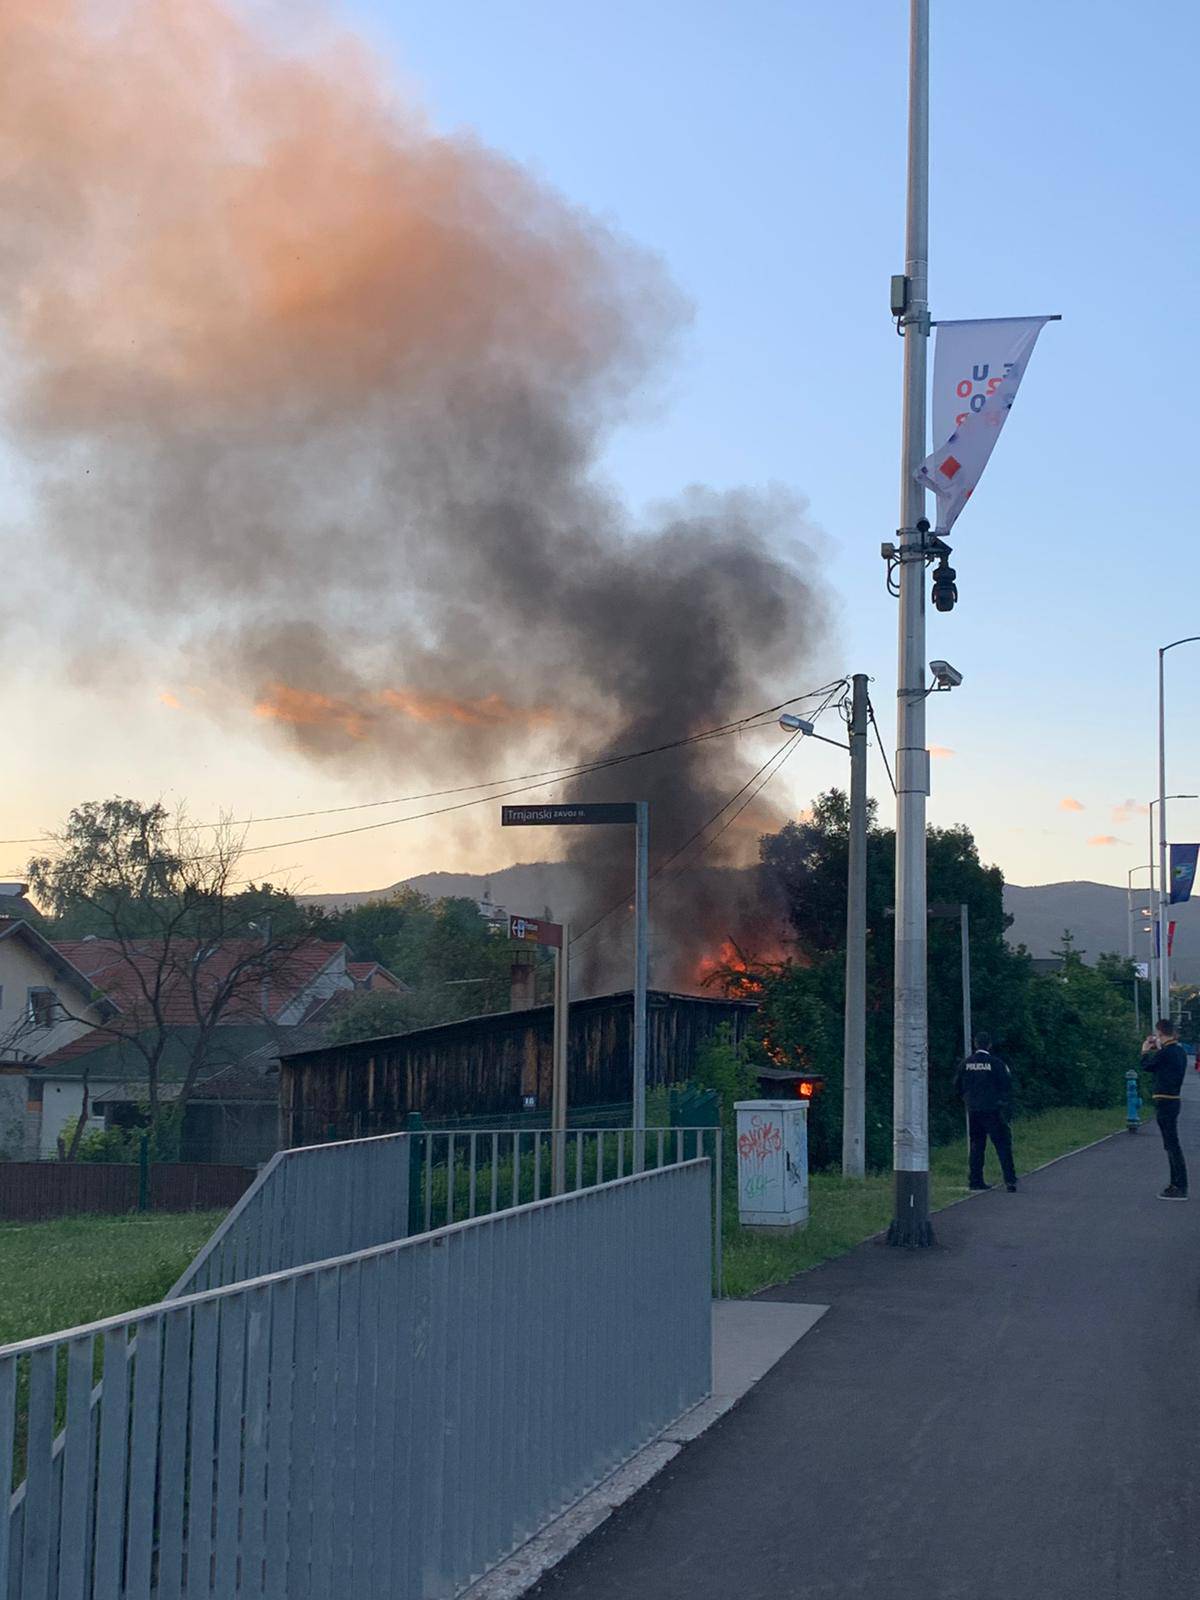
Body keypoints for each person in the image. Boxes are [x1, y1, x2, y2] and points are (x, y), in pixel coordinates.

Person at [955, 1031, 1018, 1193]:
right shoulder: (996, 1063)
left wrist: (967, 1099)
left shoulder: (966, 1063)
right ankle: (1010, 1180)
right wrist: (1003, 1103)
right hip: (993, 1110)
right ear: (989, 1045)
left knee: (976, 1145)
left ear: (975, 1044)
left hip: (974, 1110)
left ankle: (975, 1181)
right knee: (1002, 1145)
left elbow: (957, 1085)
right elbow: (1006, 1085)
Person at [1141, 1018, 1188, 1199]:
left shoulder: (1166, 1053)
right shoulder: (1179, 1051)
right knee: (1171, 1144)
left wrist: (1145, 1051)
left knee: (1171, 1144)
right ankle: (1176, 1183)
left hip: (1165, 1100)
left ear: (1160, 1033)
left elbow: (1147, 1066)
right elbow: (1165, 1062)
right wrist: (1159, 1049)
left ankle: (1179, 1185)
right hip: (1174, 1100)